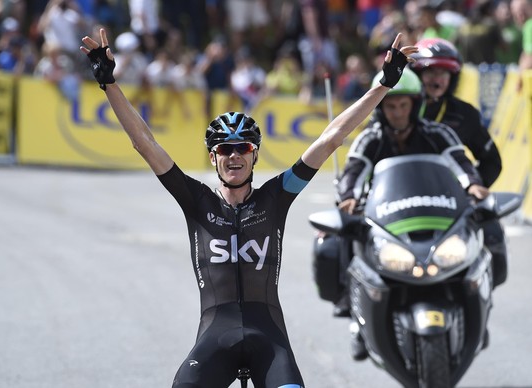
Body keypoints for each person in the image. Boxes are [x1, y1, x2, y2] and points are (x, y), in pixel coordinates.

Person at [80, 28, 417, 388]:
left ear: (254, 155)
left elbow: (331, 138)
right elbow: (144, 143)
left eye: (243, 148)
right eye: (225, 149)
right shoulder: (196, 200)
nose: (235, 155)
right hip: (214, 338)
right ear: (214, 157)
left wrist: (383, 84)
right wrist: (109, 83)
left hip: (268, 340)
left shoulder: (276, 196)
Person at [332, 68, 488, 360]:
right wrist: (348, 198)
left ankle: (480, 303)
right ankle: (354, 314)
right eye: (390, 106)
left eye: (404, 105)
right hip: (386, 219)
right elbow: (352, 173)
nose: (398, 112)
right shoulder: (370, 138)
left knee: (485, 229)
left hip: (437, 212)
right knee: (341, 237)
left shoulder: (437, 133)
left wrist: (475, 185)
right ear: (381, 108)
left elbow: (461, 163)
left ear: (415, 105)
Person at [409, 37, 508, 289]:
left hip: (450, 201)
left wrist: (472, 190)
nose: (437, 79)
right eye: (431, 71)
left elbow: (491, 161)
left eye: (444, 72)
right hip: (399, 199)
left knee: (493, 231)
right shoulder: (396, 106)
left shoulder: (465, 114)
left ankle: (481, 293)